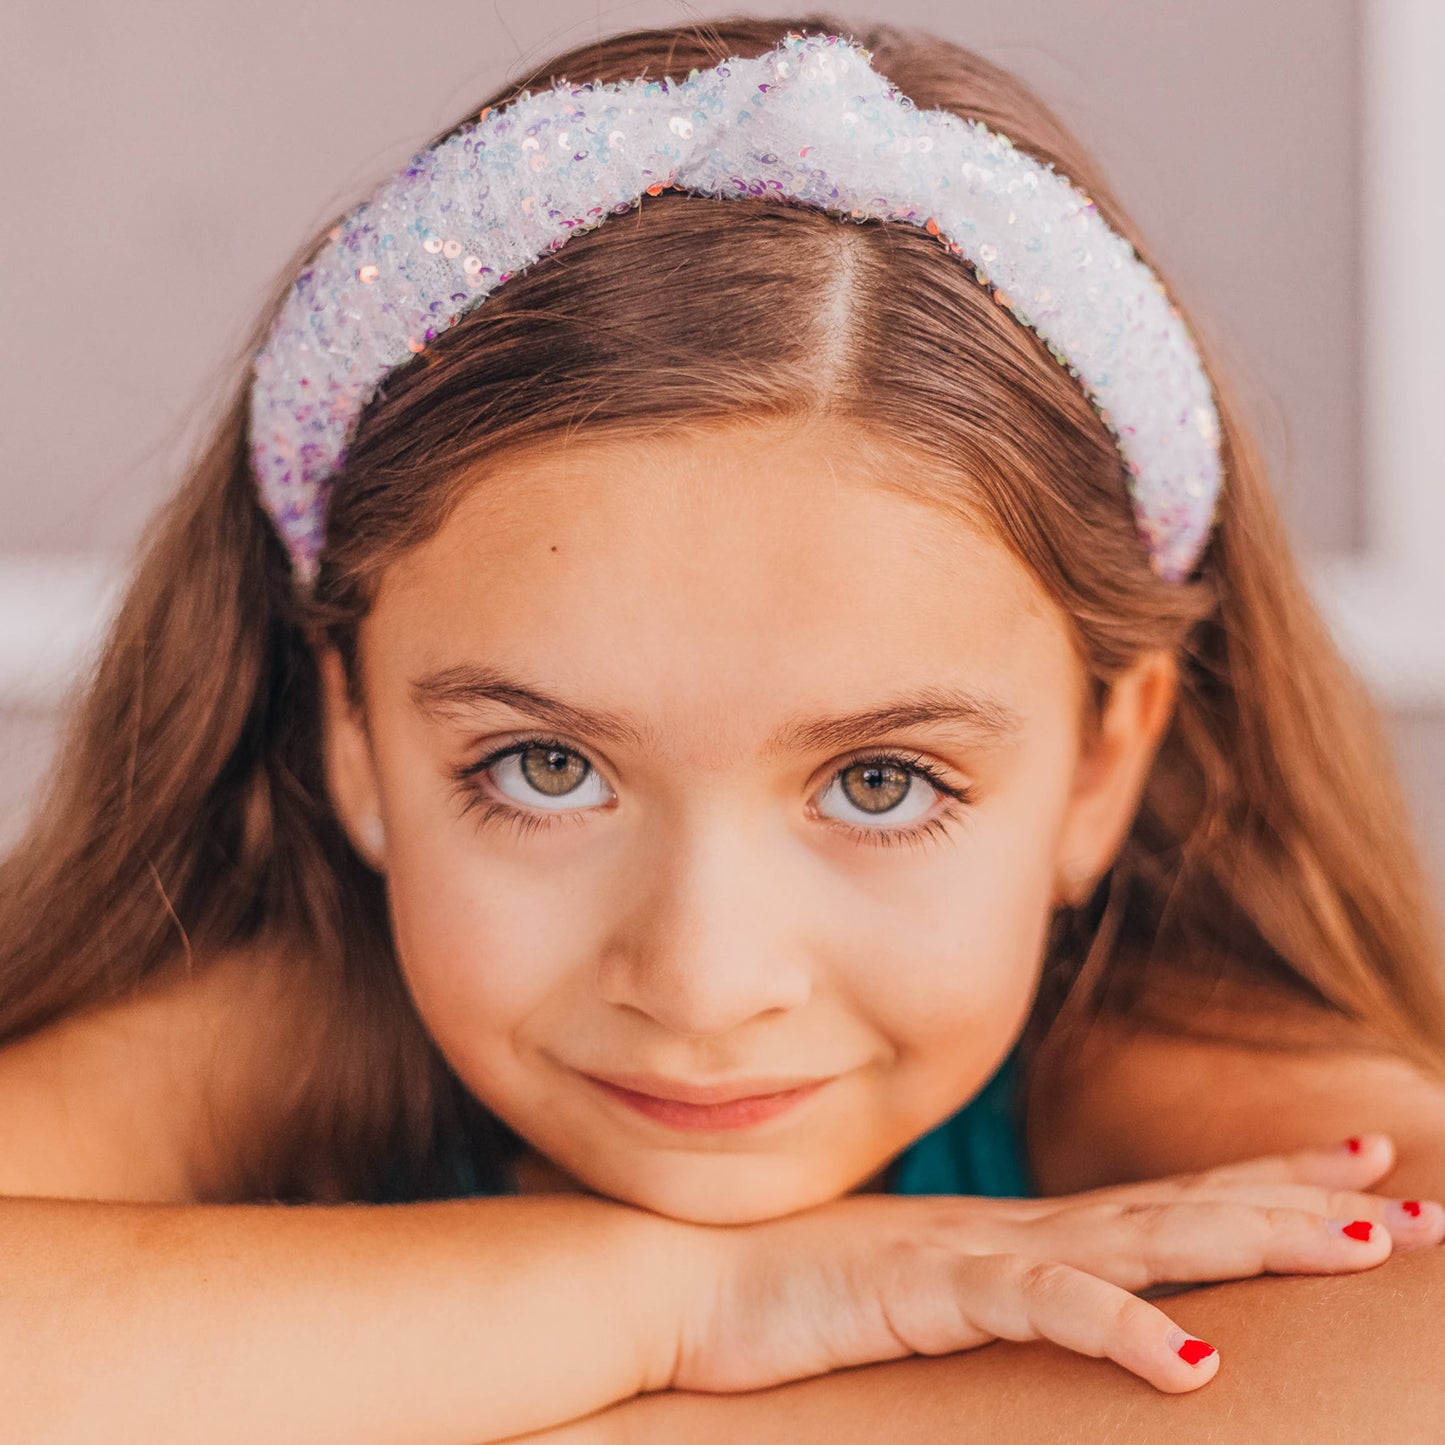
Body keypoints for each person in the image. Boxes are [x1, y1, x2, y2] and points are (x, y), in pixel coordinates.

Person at [2, 14, 1444, 1443]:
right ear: (359, 742)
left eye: (880, 782)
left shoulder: (1152, 1065)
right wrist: (685, 1301)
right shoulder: (298, 1027)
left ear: (1099, 766)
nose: (702, 980)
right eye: (544, 767)